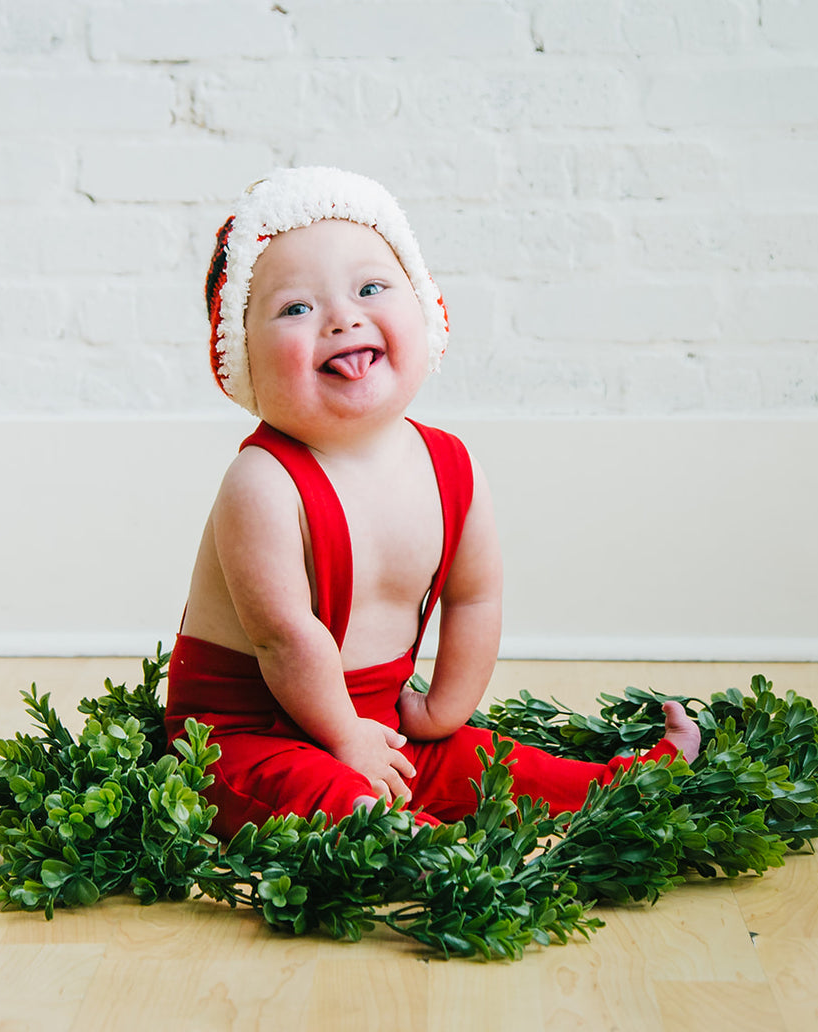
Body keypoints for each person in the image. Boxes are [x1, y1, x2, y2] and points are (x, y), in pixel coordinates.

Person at [163, 167, 700, 833]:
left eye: (370, 288)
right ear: (242, 358)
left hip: (383, 725)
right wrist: (346, 739)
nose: (342, 316)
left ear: (424, 310)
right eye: (296, 308)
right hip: (252, 733)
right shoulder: (262, 482)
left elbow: (475, 596)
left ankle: (622, 785)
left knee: (499, 768)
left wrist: (443, 710)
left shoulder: (449, 465)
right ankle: (403, 844)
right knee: (332, 798)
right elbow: (284, 638)